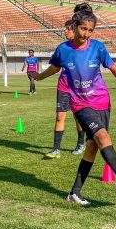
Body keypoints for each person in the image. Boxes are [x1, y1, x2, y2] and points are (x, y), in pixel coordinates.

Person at [36, 3, 116, 206]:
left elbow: (112, 66)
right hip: (80, 104)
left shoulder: (98, 47)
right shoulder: (63, 50)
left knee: (92, 147)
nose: (86, 34)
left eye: (90, 30)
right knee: (102, 136)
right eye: (83, 29)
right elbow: (54, 68)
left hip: (102, 100)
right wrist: (39, 76)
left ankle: (74, 193)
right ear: (74, 27)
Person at [44, 19, 87, 158]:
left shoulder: (86, 47)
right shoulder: (62, 47)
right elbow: (55, 67)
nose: (65, 31)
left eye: (68, 29)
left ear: (75, 30)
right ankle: (56, 149)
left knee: (78, 118)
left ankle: (81, 144)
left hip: (79, 90)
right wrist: (40, 76)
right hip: (64, 87)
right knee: (59, 117)